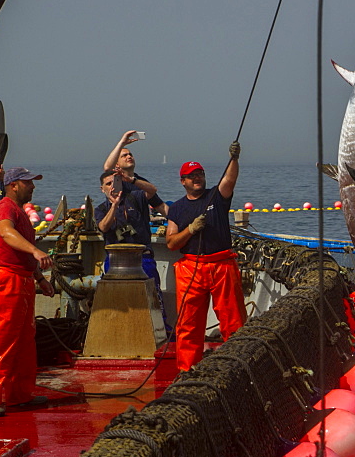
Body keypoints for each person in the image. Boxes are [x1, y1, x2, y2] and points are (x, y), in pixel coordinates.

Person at [0, 167, 55, 417]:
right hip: (5, 278)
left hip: (21, 278)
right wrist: (35, 251)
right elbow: (6, 233)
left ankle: (19, 393)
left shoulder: (17, 210)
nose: (33, 187)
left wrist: (40, 278)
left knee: (23, 339)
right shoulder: (5, 207)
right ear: (14, 185)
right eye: (28, 182)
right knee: (3, 337)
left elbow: (19, 250)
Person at [166, 142, 246, 371]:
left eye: (199, 174)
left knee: (233, 321)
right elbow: (171, 242)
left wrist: (234, 159)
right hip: (191, 268)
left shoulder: (216, 196)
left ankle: (238, 366)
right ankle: (187, 370)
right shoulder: (177, 209)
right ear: (183, 181)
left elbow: (229, 180)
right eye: (191, 176)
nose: (196, 178)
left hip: (222, 264)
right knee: (188, 325)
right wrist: (190, 230)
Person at [95, 167, 169, 329]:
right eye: (108, 184)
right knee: (118, 302)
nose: (112, 187)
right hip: (115, 263)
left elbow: (152, 190)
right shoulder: (101, 209)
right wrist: (114, 206)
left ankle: (161, 329)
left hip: (143, 259)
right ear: (102, 189)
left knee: (154, 298)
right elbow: (104, 227)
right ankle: (120, 330)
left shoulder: (135, 197)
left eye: (115, 182)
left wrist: (131, 179)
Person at [102, 130, 168, 216]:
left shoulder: (141, 182)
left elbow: (161, 206)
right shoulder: (114, 179)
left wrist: (177, 220)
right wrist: (122, 143)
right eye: (124, 156)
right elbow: (107, 168)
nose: (129, 156)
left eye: (130, 154)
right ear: (116, 164)